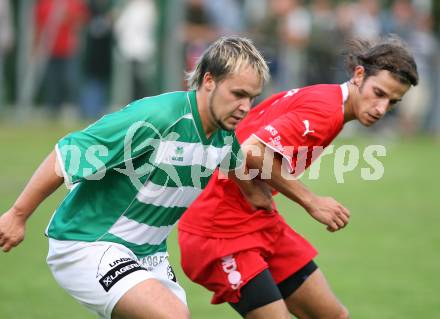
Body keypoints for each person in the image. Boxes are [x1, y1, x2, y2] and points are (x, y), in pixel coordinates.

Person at [0, 36, 269, 319]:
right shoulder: (158, 118)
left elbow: (243, 172)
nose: (245, 107)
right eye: (238, 94)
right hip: (88, 242)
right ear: (209, 81)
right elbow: (66, 154)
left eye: (252, 98)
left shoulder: (224, 135)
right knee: (172, 316)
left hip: (149, 254)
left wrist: (292, 200)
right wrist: (17, 215)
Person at [178, 35, 419, 319]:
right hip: (217, 229)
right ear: (359, 75)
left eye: (393, 102)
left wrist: (250, 187)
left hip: (258, 221)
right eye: (378, 93)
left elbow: (244, 141)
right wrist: (312, 201)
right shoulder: (325, 110)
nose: (382, 109)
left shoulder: (329, 102)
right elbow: (251, 150)